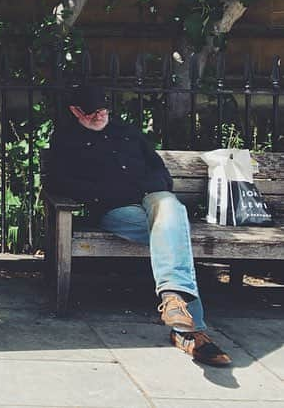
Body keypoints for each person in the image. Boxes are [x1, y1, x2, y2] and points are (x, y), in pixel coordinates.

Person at [47, 85, 232, 366]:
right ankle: (190, 330)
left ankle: (174, 299)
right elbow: (58, 182)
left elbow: (159, 170)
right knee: (173, 229)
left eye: (102, 110)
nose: (98, 116)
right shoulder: (66, 140)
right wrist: (105, 192)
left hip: (154, 200)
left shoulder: (128, 131)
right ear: (75, 111)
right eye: (90, 112)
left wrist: (148, 189)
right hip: (117, 210)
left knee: (169, 206)